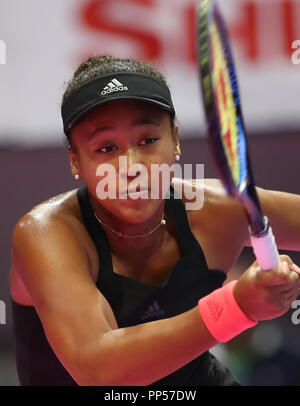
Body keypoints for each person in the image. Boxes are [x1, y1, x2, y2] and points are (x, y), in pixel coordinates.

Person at [10, 55, 300, 386]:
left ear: (175, 140)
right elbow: (97, 371)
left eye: (148, 140)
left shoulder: (219, 210)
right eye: (106, 148)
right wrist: (236, 307)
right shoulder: (44, 235)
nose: (131, 165)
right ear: (76, 161)